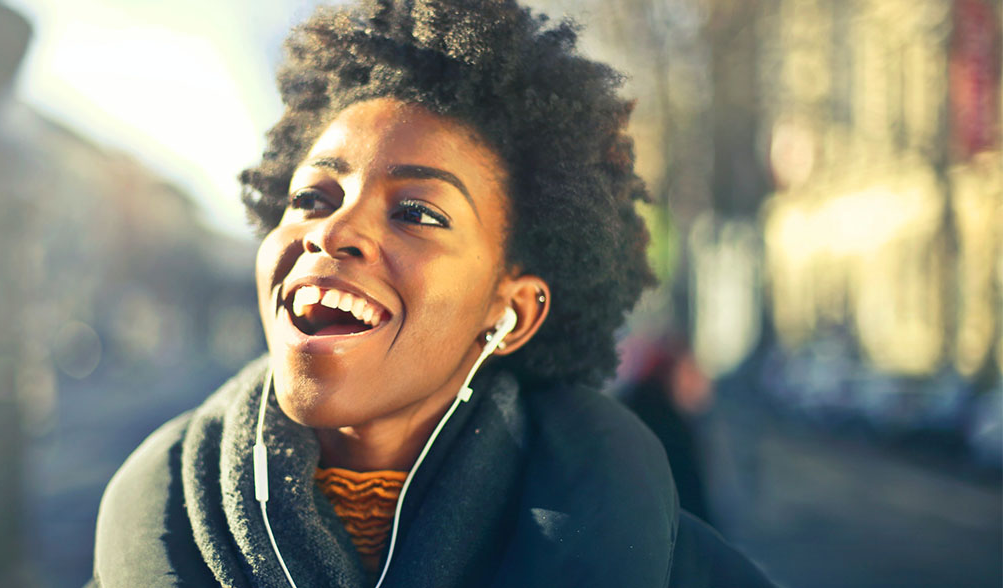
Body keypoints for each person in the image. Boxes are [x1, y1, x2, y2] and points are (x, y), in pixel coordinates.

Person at [92, 0, 776, 586]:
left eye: (417, 211)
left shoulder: (676, 567)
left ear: (511, 312)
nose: (334, 231)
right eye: (311, 196)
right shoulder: (139, 536)